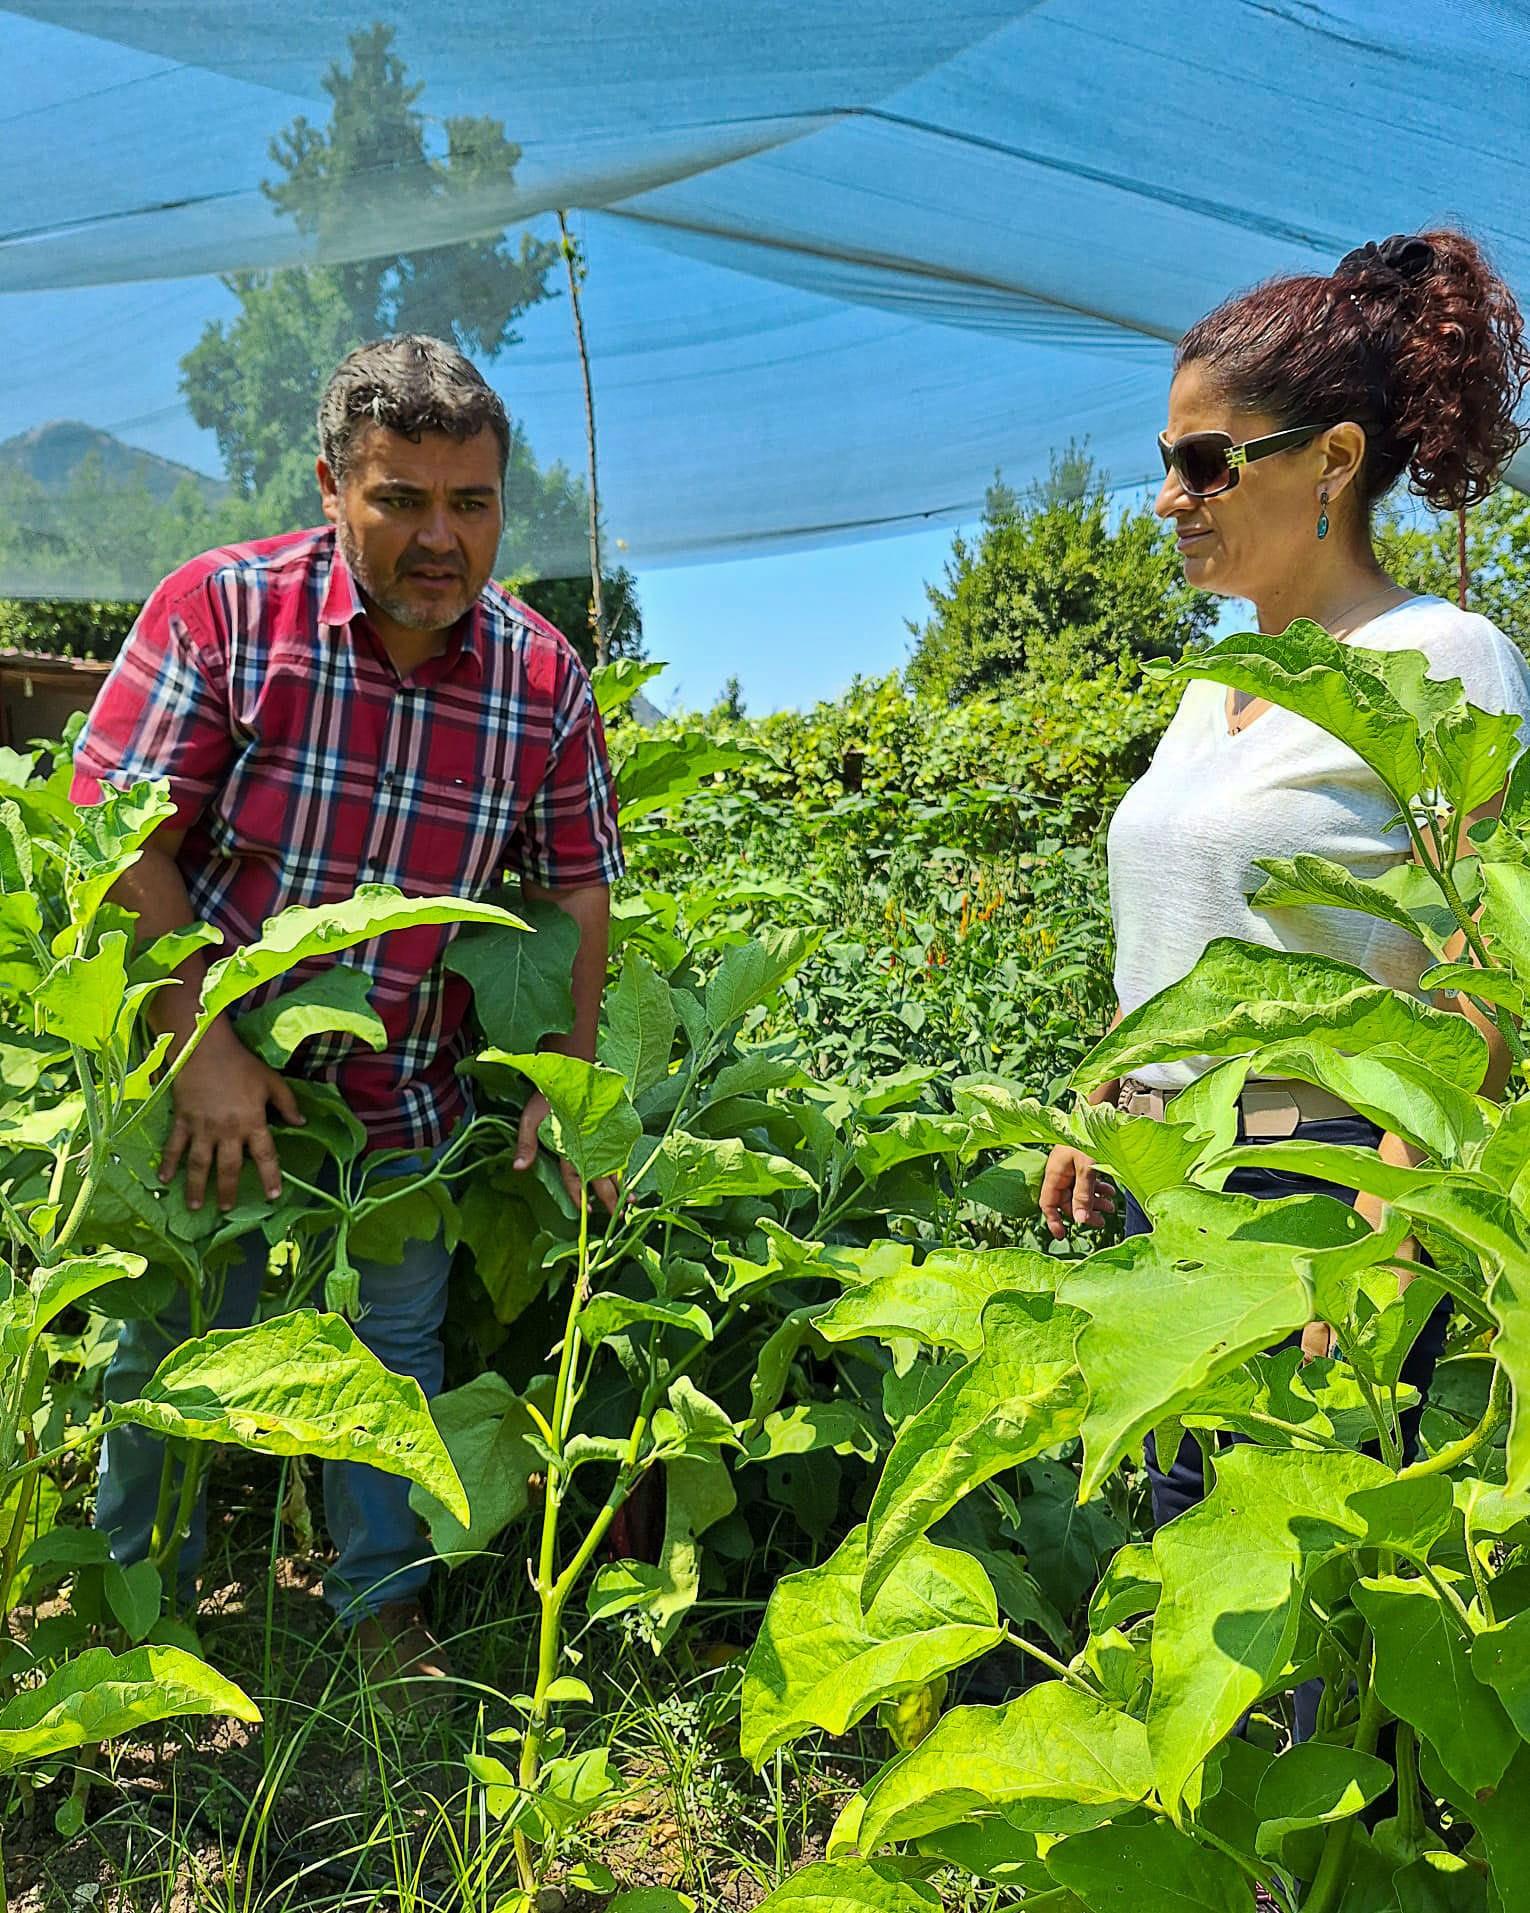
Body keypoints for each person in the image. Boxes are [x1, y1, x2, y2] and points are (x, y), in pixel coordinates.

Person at [73, 334, 624, 1708]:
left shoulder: (542, 677)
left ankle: (381, 1612)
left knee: (396, 1356)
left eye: (473, 503)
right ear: (332, 485)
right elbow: (114, 832)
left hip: (403, 1102)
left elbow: (572, 892)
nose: (443, 537)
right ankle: (142, 1622)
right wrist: (200, 1048)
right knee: (178, 1352)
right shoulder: (221, 611)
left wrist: (566, 1076)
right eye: (401, 500)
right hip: (222, 1089)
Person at [1040, 229, 1530, 1530]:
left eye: (1203, 461)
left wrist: (1394, 1217)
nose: (1167, 497)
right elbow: (1182, 929)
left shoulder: (1441, 658)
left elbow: (1482, 963)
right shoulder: (1219, 683)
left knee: (1292, 1605)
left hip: (1315, 1195)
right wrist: (1103, 1099)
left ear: (1331, 461)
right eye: (1164, 463)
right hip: (1171, 1180)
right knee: (1173, 1564)